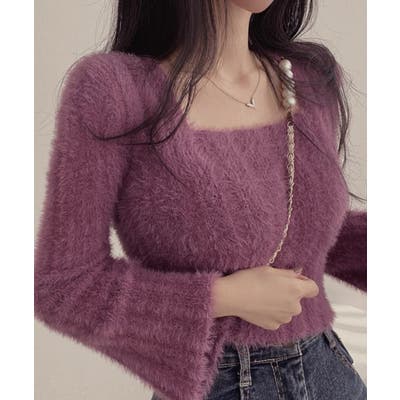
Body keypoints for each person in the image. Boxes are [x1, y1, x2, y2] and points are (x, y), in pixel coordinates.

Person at [34, 1, 367, 399]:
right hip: (219, 382)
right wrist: (221, 298)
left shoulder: (307, 77)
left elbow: (304, 232)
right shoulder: (115, 92)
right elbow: (64, 285)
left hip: (330, 373)